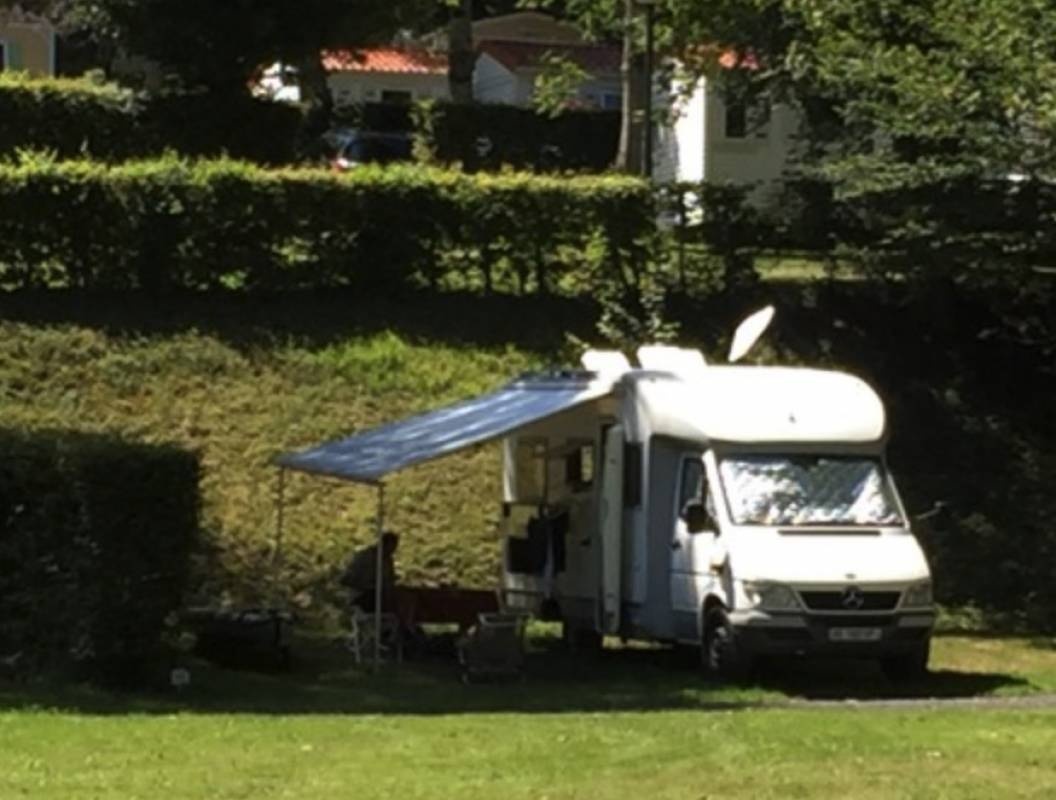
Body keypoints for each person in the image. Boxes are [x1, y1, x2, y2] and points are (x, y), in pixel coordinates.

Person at [340, 531, 399, 613]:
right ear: (383, 544)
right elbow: (346, 579)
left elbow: (390, 580)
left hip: (381, 596)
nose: (392, 551)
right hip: (361, 596)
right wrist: (367, 584)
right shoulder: (364, 557)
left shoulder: (388, 560)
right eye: (390, 548)